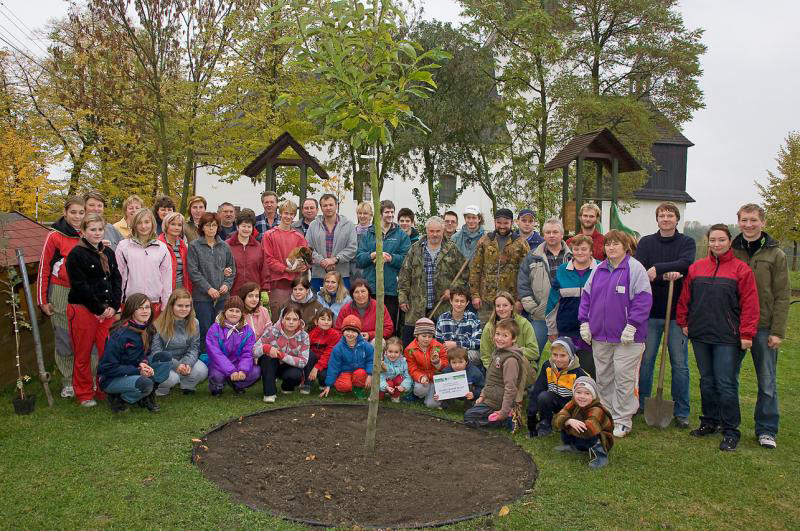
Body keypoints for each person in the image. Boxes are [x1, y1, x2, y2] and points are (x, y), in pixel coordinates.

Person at [677, 224, 759, 452]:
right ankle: (709, 421)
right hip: (701, 334)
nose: (716, 244)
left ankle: (731, 430)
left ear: (729, 241)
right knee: (707, 380)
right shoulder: (697, 268)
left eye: (721, 240)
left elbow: (750, 304)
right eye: (713, 240)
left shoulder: (741, 270)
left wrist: (746, 333)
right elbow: (686, 298)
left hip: (728, 337)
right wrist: (683, 321)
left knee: (726, 383)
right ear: (708, 242)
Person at [578, 230, 652, 439]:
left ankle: (623, 419)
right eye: (608, 244)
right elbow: (587, 297)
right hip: (601, 335)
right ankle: (606, 414)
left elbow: (643, 299)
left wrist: (633, 325)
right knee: (604, 377)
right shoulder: (598, 269)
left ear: (625, 247)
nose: (611, 248)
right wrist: (584, 322)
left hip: (627, 338)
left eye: (616, 244)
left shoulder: (635, 268)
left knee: (623, 378)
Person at [731, 204, 789, 450]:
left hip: (764, 326)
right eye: (744, 220)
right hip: (734, 324)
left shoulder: (776, 254)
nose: (749, 225)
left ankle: (766, 428)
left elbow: (782, 295)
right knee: (728, 378)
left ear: (762, 223)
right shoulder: (731, 250)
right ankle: (728, 422)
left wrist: (777, 331)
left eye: (753, 220)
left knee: (767, 381)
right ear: (739, 222)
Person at [634, 201, 696, 428]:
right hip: (650, 313)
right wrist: (666, 273)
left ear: (677, 219)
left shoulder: (686, 242)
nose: (666, 219)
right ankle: (641, 402)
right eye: (662, 215)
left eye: (670, 215)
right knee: (647, 360)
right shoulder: (647, 242)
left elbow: (686, 264)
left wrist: (657, 269)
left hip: (677, 314)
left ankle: (681, 411)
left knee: (680, 364)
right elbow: (640, 269)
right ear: (657, 219)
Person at [65, 213, 122, 407]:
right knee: (83, 353)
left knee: (107, 351)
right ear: (83, 231)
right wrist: (98, 308)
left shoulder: (108, 253)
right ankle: (83, 393)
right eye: (92, 229)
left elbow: (116, 280)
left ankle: (103, 388)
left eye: (100, 229)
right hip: (83, 309)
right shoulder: (76, 255)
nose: (97, 233)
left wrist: (114, 306)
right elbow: (80, 285)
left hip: (107, 312)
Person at [37, 196, 85, 398]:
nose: (77, 216)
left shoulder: (89, 232)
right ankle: (67, 381)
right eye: (73, 212)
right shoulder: (54, 236)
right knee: (64, 336)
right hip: (60, 291)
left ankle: (84, 378)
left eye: (81, 212)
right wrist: (42, 299)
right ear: (65, 213)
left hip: (84, 291)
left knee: (83, 336)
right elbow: (44, 268)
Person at [397, 216, 466, 345]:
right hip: (416, 307)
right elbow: (404, 275)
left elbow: (464, 275)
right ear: (427, 231)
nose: (434, 234)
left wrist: (452, 291)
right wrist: (403, 298)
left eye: (438, 231)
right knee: (412, 345)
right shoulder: (415, 249)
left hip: (442, 308)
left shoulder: (452, 250)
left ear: (443, 231)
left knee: (439, 346)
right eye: (431, 231)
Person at [98, 294, 172, 413]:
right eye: (140, 308)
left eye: (147, 307)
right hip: (112, 378)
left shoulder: (148, 328)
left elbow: (144, 354)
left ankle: (147, 396)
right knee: (145, 383)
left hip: (134, 369)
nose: (145, 311)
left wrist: (144, 363)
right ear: (131, 310)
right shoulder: (120, 334)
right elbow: (107, 368)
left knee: (164, 358)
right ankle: (119, 399)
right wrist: (138, 371)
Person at [544, 235, 599, 377]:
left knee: (589, 371)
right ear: (572, 251)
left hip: (592, 331)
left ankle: (589, 398)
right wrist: (552, 329)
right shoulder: (563, 270)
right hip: (566, 328)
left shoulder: (600, 268)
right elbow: (553, 301)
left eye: (584, 249)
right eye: (576, 249)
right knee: (566, 370)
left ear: (591, 251)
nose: (580, 252)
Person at [464, 318, 533, 430]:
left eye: (505, 336)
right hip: (491, 398)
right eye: (498, 334)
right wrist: (482, 395)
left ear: (514, 338)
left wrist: (503, 412)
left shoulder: (510, 360)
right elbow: (491, 379)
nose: (500, 338)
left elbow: (511, 388)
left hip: (499, 403)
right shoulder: (498, 352)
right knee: (472, 410)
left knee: (469, 417)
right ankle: (500, 417)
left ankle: (506, 419)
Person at [518, 217, 572, 353]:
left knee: (568, 356)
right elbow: (523, 284)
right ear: (543, 234)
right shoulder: (532, 256)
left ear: (562, 234)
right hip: (540, 315)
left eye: (555, 232)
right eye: (548, 232)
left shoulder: (573, 257)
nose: (551, 235)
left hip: (566, 315)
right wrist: (533, 308)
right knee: (532, 354)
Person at [469, 208, 530, 323]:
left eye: (506, 223)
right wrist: (475, 295)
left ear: (512, 223)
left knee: (508, 334)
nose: (502, 226)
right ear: (494, 222)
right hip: (486, 299)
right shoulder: (485, 241)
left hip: (510, 300)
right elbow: (475, 269)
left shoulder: (521, 243)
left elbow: (526, 274)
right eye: (499, 223)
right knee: (486, 332)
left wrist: (520, 299)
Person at [187, 212, 236, 354]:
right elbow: (193, 272)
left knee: (221, 329)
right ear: (202, 227)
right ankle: (204, 358)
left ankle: (220, 357)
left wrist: (227, 284)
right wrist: (208, 289)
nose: (211, 228)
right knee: (204, 328)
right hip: (202, 297)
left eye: (214, 225)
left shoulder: (225, 246)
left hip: (222, 297)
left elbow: (231, 269)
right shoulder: (194, 246)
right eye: (208, 225)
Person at [356, 199, 411, 326]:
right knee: (369, 323)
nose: (390, 215)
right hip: (371, 287)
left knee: (389, 324)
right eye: (387, 212)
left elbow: (407, 260)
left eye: (392, 212)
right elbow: (359, 259)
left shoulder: (401, 235)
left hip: (391, 288)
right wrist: (372, 255)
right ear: (380, 214)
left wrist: (391, 258)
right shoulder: (369, 234)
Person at [115, 209, 172, 317]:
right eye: (139, 223)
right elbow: (118, 277)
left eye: (146, 222)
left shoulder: (162, 248)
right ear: (134, 225)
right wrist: (117, 305)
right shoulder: (123, 246)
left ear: (152, 223)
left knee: (152, 334)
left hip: (155, 303)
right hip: (130, 303)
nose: (143, 226)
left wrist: (166, 304)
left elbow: (166, 279)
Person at [526, 337, 587, 437]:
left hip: (572, 406)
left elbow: (587, 398)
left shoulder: (579, 374)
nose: (558, 359)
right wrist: (531, 414)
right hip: (555, 401)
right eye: (555, 355)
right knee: (543, 396)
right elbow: (538, 389)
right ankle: (545, 425)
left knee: (572, 434)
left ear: (571, 356)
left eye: (563, 355)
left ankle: (566, 422)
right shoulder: (547, 366)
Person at [151, 288, 207, 396]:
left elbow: (194, 347)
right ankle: (161, 388)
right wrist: (176, 365)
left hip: (184, 359)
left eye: (187, 306)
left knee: (202, 370)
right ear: (171, 306)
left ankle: (187, 385)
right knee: (172, 378)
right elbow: (156, 352)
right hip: (164, 362)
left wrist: (187, 363)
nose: (184, 309)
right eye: (180, 305)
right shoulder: (158, 324)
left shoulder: (195, 323)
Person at [552, 376, 614, 469]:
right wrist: (569, 421)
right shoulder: (573, 403)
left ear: (593, 396)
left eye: (587, 393)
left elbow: (587, 431)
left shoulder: (597, 409)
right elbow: (556, 419)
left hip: (598, 436)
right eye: (578, 392)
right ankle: (575, 447)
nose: (582, 396)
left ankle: (600, 457)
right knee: (566, 421)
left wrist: (566, 424)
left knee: (571, 425)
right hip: (581, 433)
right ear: (574, 393)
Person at [262, 199, 309, 319]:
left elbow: (306, 258)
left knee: (294, 318)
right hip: (277, 283)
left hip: (295, 285)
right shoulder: (269, 235)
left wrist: (303, 265)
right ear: (280, 213)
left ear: (294, 216)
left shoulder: (299, 237)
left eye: (291, 214)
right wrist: (286, 269)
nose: (288, 216)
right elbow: (269, 259)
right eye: (286, 213)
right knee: (278, 318)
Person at [256, 304, 311, 402]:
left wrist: (281, 355)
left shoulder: (304, 336)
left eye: (295, 319)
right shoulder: (271, 331)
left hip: (289, 366)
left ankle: (287, 386)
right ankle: (269, 393)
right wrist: (265, 348)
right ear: (282, 320)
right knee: (267, 358)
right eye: (288, 318)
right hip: (272, 365)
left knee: (295, 375)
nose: (291, 322)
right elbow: (254, 350)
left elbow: (303, 361)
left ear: (299, 322)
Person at [206, 296, 259, 396]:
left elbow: (247, 353)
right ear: (225, 311)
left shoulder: (248, 330)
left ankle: (237, 384)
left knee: (256, 372)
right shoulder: (215, 328)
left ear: (242, 313)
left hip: (237, 364)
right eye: (231, 310)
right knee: (217, 376)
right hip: (218, 365)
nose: (234, 314)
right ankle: (217, 386)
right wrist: (231, 371)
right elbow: (215, 353)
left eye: (237, 311)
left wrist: (242, 370)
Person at [305, 193, 357, 292]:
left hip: (341, 275)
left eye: (331, 205)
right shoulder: (313, 225)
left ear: (336, 205)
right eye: (325, 205)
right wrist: (322, 261)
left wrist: (335, 259)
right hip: (319, 275)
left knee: (341, 305)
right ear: (321, 207)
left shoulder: (348, 225)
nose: (328, 208)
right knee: (318, 306)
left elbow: (352, 248)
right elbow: (308, 248)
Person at [479, 292, 539, 373]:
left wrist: (511, 350)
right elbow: (485, 356)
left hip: (521, 367)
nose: (501, 309)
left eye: (505, 305)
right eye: (498, 306)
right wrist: (494, 370)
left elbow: (534, 353)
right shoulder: (489, 327)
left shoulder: (524, 323)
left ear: (511, 307)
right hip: (497, 369)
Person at [320, 315, 374, 399]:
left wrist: (370, 374)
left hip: (360, 371)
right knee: (343, 386)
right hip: (344, 371)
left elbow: (371, 360)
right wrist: (328, 385)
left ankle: (358, 389)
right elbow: (333, 366)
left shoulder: (365, 345)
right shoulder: (338, 348)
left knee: (361, 374)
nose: (350, 334)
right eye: (347, 331)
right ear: (343, 331)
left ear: (358, 333)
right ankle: (346, 384)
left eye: (353, 332)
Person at [404, 317, 448, 408]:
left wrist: (437, 362)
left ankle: (431, 395)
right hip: (422, 377)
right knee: (420, 390)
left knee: (431, 405)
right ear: (417, 335)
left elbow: (446, 365)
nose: (427, 339)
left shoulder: (439, 347)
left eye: (430, 336)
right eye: (424, 336)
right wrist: (420, 377)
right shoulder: (410, 349)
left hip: (435, 378)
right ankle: (419, 394)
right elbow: (412, 368)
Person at [434, 286, 481, 365]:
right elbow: (438, 343)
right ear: (451, 301)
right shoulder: (442, 319)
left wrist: (456, 344)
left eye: (462, 301)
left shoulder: (473, 318)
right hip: (448, 357)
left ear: (467, 303)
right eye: (456, 301)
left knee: (475, 355)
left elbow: (478, 343)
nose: (459, 304)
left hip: (467, 358)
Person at [227, 209, 268, 296]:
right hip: (232, 293)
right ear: (238, 227)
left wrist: (265, 289)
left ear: (253, 228)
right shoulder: (226, 245)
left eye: (249, 227)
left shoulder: (259, 247)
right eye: (243, 226)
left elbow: (264, 271)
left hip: (253, 294)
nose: (246, 229)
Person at [434, 347, 484, 411]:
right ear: (450, 363)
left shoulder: (475, 372)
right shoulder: (446, 371)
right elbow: (440, 386)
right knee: (446, 384)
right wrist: (438, 394)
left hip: (468, 394)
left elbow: (481, 387)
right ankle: (447, 405)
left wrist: (474, 394)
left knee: (470, 386)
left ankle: (468, 407)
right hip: (453, 391)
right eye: (454, 362)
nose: (457, 365)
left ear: (466, 361)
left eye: (460, 362)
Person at [306, 309, 341, 391]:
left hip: (327, 363)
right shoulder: (311, 334)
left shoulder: (335, 335)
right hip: (313, 361)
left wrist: (316, 368)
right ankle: (307, 383)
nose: (326, 322)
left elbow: (328, 354)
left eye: (329, 320)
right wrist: (313, 367)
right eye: (323, 319)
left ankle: (324, 383)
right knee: (309, 353)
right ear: (316, 321)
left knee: (323, 376)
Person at [158, 212, 192, 292]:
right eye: (173, 224)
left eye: (179, 225)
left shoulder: (183, 246)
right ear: (166, 225)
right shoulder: (158, 245)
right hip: (163, 288)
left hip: (181, 287)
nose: (176, 228)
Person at [379, 337, 412, 402]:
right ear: (385, 351)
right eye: (390, 351)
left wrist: (404, 386)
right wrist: (386, 387)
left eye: (396, 352)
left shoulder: (403, 361)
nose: (393, 355)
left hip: (395, 382)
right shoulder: (382, 361)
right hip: (384, 383)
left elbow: (408, 376)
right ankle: (379, 395)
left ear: (400, 352)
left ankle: (395, 396)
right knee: (389, 384)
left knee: (399, 379)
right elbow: (380, 377)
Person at [350, 201, 373, 281]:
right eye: (360, 213)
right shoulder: (351, 231)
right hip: (352, 270)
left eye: (365, 213)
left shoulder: (375, 232)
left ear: (371, 215)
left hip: (369, 270)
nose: (362, 216)